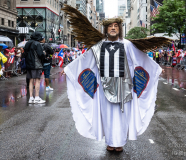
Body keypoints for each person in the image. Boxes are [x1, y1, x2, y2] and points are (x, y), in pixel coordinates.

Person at [60, 17, 163, 152]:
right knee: (107, 115)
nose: (113, 28)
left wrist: (156, 69)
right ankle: (110, 142)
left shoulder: (127, 45)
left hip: (124, 88)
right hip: (104, 88)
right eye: (110, 26)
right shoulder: (99, 45)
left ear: (119, 29)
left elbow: (141, 59)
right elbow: (85, 60)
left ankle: (119, 142)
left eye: (116, 26)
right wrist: (68, 69)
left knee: (122, 115)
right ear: (106, 29)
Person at [24, 32, 46, 103]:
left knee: (30, 80)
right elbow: (40, 55)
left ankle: (31, 98)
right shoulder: (37, 44)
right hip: (36, 64)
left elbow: (24, 54)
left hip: (29, 65)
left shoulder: (27, 43)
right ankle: (36, 97)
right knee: (37, 80)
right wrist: (44, 54)